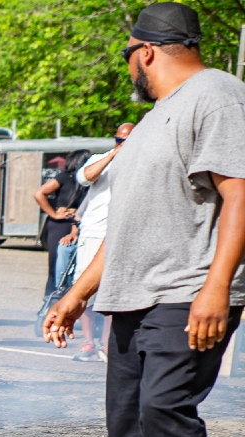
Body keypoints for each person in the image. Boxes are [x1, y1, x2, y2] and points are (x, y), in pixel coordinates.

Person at [45, 2, 245, 437]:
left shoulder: (217, 97)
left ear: (147, 51)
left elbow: (240, 195)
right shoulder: (158, 118)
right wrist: (77, 294)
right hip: (131, 297)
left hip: (188, 291)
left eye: (128, 55)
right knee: (128, 424)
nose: (128, 67)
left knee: (163, 410)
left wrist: (217, 286)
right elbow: (126, 227)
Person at [69, 122, 136, 361]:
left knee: (112, 291)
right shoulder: (99, 159)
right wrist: (113, 154)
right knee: (84, 289)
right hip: (94, 232)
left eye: (127, 141)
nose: (123, 144)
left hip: (123, 234)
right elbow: (84, 178)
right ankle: (88, 341)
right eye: (119, 140)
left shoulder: (141, 160)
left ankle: (107, 344)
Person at [34, 149, 91, 297]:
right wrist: (54, 214)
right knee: (56, 265)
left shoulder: (90, 182)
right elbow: (39, 194)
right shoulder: (65, 177)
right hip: (60, 224)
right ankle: (51, 299)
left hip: (80, 224)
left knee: (77, 265)